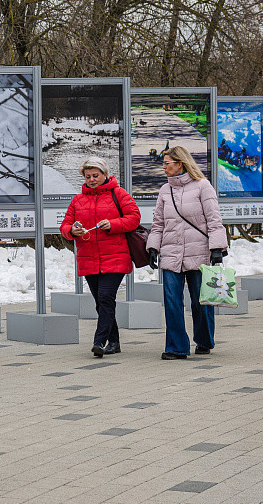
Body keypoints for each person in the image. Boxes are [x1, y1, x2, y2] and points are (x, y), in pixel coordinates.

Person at [146, 146, 228, 360]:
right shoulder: (165, 190)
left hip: (198, 252)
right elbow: (158, 223)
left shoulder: (203, 186)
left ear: (180, 163)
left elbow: (214, 220)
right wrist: (153, 246)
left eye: (167, 163)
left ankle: (204, 340)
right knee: (172, 301)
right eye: (163, 163)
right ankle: (176, 347)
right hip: (171, 253)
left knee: (200, 300)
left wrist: (217, 248)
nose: (163, 166)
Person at [59, 157, 140, 358]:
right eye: (88, 177)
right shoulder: (78, 200)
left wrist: (114, 224)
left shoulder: (119, 194)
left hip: (116, 256)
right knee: (101, 302)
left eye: (96, 175)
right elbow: (64, 226)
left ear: (105, 174)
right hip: (89, 258)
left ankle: (99, 341)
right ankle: (114, 341)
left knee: (105, 297)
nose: (92, 180)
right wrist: (72, 231)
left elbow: (134, 217)